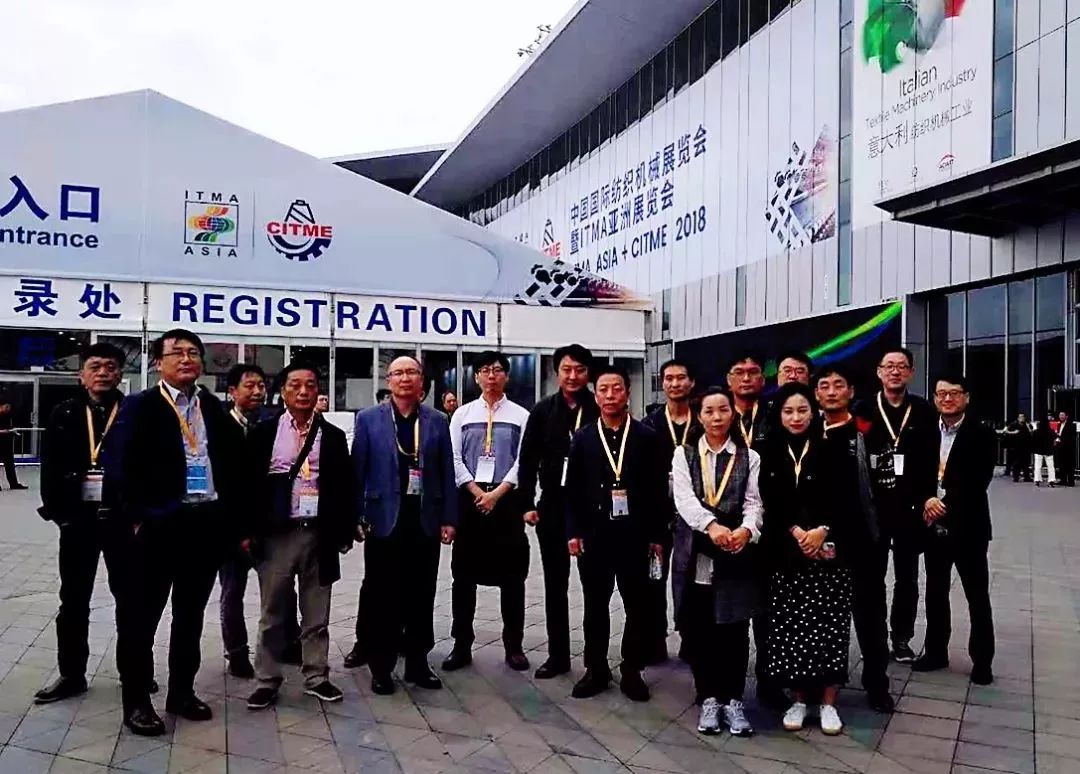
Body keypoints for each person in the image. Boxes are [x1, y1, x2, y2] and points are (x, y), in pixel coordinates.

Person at [101, 329, 243, 736]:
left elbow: (233, 461)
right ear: (158, 363)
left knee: (190, 617)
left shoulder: (211, 406)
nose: (186, 359)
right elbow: (117, 465)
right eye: (177, 352)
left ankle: (181, 691)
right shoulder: (140, 406)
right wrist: (138, 517)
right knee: (141, 619)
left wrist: (228, 517)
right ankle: (136, 702)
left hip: (203, 526)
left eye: (193, 353)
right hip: (158, 529)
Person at [760, 382, 871, 736]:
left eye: (802, 410)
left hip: (829, 552)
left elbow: (847, 499)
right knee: (791, 628)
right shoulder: (768, 450)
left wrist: (822, 530)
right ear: (779, 415)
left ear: (814, 412)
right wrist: (796, 532)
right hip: (786, 552)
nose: (796, 417)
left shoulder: (832, 448)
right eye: (788, 411)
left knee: (830, 627)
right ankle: (799, 699)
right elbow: (768, 500)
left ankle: (828, 702)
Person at [245, 362, 355, 709]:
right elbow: (246, 485)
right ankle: (266, 679)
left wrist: (344, 530)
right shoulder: (264, 432)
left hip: (319, 534)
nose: (304, 392)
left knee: (316, 613)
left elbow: (344, 486)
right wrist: (247, 531)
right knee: (272, 612)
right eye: (295, 385)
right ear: (282, 392)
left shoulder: (333, 436)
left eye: (310, 385)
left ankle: (317, 676)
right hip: (277, 534)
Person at [34, 343, 136, 706]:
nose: (103, 372)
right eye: (95, 366)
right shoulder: (64, 412)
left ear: (120, 374)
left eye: (110, 366)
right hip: (78, 522)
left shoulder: (133, 412)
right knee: (73, 600)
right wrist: (60, 515)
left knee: (130, 600)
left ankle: (133, 672)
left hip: (122, 521)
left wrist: (139, 516)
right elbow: (49, 466)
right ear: (82, 375)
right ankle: (71, 674)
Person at [351, 355, 457, 695]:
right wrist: (356, 517)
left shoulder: (437, 420)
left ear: (421, 380)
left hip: (424, 520)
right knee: (383, 596)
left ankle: (417, 663)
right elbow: (357, 472)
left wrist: (449, 518)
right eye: (398, 373)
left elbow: (446, 471)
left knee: (421, 595)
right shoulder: (368, 419)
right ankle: (381, 667)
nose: (405, 378)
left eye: (411, 372)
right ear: (389, 381)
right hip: (383, 521)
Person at [565, 365, 666, 701]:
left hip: (635, 536)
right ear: (596, 396)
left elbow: (656, 492)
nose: (610, 395)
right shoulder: (583, 438)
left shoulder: (646, 437)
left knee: (637, 606)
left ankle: (632, 669)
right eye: (604, 390)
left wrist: (656, 537)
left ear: (627, 393)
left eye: (617, 389)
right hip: (594, 536)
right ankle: (595, 669)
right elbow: (572, 489)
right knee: (595, 605)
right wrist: (573, 531)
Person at [671, 387, 762, 737]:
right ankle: (708, 697)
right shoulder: (684, 454)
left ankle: (734, 700)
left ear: (732, 414)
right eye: (709, 411)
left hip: (735, 551)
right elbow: (684, 499)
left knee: (735, 629)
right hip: (697, 551)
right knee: (700, 628)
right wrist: (711, 526)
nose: (717, 417)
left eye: (723, 410)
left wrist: (747, 530)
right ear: (700, 416)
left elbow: (754, 501)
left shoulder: (749, 456)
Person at [443, 351, 531, 672]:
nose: (491, 376)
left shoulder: (521, 415)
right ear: (476, 377)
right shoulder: (462, 414)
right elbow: (453, 458)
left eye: (497, 370)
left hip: (506, 502)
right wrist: (477, 491)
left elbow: (524, 461)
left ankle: (514, 645)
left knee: (513, 579)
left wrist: (497, 493)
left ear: (506, 376)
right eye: (484, 370)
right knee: (463, 578)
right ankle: (461, 644)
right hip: (471, 502)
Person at [815, 365, 894, 713]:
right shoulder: (808, 431)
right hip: (818, 544)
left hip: (863, 542)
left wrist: (882, 534)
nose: (832, 392)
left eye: (838, 385)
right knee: (819, 617)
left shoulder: (868, 431)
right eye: (824, 386)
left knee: (871, 616)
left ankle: (877, 683)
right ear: (816, 393)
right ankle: (817, 682)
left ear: (850, 392)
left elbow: (887, 487)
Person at [517, 344, 599, 679]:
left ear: (588, 373)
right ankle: (558, 655)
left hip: (592, 509)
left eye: (580, 370)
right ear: (556, 373)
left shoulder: (598, 407)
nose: (573, 376)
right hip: (551, 505)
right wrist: (526, 503)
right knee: (555, 585)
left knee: (595, 587)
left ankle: (595, 661)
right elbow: (527, 459)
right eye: (566, 369)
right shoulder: (542, 411)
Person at [854, 348, 938, 666]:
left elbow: (930, 459)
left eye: (901, 366)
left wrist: (928, 497)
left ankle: (901, 638)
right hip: (873, 510)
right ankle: (874, 638)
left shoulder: (923, 410)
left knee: (907, 578)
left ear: (911, 372)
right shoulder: (863, 409)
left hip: (909, 509)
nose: (895, 371)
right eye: (889, 366)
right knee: (871, 579)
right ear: (879, 371)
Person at [218, 364, 301, 679]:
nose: (257, 392)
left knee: (283, 588)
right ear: (232, 391)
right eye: (249, 386)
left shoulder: (273, 425)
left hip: (267, 525)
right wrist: (237, 529)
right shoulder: (220, 427)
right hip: (230, 528)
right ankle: (237, 653)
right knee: (232, 592)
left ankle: (289, 642)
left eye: (261, 386)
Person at [912, 376, 996, 686]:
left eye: (954, 393)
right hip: (932, 524)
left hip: (969, 526)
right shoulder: (924, 431)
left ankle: (982, 660)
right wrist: (926, 499)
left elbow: (979, 480)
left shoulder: (982, 433)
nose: (947, 399)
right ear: (935, 398)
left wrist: (942, 503)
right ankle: (936, 652)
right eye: (941, 394)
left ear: (966, 397)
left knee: (977, 595)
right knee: (935, 592)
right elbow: (914, 473)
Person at [724, 351, 780, 706]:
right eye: (739, 372)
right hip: (726, 531)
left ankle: (769, 681)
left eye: (753, 372)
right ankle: (725, 685)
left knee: (767, 611)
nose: (746, 378)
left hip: (768, 528)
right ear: (728, 379)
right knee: (731, 611)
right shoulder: (717, 414)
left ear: (763, 379)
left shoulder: (776, 417)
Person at [641, 358, 698, 665]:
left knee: (690, 577)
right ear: (662, 383)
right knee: (654, 576)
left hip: (694, 512)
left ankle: (690, 637)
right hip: (657, 513)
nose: (675, 383)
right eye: (669, 378)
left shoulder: (702, 420)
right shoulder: (650, 423)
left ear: (691, 382)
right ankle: (654, 639)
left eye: (681, 377)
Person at [0, 397, 27, 490]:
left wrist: (12, 431)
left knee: (10, 464)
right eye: (6, 407)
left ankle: (13, 483)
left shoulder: (7, 416)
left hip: (6, 443)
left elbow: (8, 427)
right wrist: (7, 431)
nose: (8, 409)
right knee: (9, 463)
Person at [999, 413, 1032, 483]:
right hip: (1016, 446)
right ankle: (1016, 477)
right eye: (1020, 417)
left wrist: (1028, 427)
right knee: (1017, 463)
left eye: (1023, 417)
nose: (1022, 418)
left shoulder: (1027, 424)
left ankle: (1026, 477)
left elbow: (1031, 432)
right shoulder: (1014, 424)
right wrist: (1012, 432)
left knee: (1026, 462)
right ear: (1018, 418)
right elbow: (1005, 431)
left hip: (1026, 446)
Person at [1032, 412, 1058, 487]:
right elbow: (1055, 438)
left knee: (1038, 466)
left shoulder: (1036, 432)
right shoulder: (1051, 431)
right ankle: (1051, 481)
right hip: (1049, 451)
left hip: (1038, 450)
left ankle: (1037, 480)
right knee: (1050, 466)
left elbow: (1033, 441)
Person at [1054, 410, 1075, 487]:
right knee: (1062, 465)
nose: (1061, 417)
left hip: (1068, 448)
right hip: (1060, 447)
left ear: (1066, 416)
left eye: (1062, 415)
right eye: (1060, 415)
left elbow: (1071, 437)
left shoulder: (1071, 425)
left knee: (1069, 465)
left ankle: (1071, 482)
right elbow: (1058, 434)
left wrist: (1061, 439)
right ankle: (1063, 480)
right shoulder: (1058, 424)